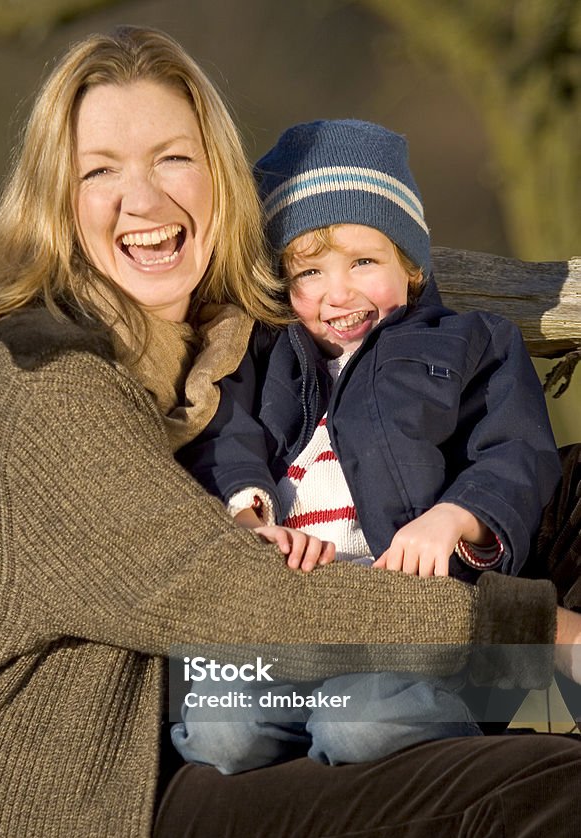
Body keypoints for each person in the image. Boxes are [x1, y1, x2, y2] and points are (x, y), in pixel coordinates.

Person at [0, 24, 581, 838]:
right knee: (542, 800)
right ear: (56, 204)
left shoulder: (222, 345)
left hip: (242, 730)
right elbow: (238, 598)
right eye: (101, 170)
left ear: (223, 182)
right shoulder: (48, 382)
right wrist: (530, 635)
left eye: (172, 160)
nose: (143, 201)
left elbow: (401, 329)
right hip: (110, 823)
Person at [172, 118, 562, 773]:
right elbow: (223, 436)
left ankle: (456, 746)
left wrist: (453, 518)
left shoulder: (470, 344)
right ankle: (302, 786)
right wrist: (248, 514)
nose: (338, 293)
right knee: (220, 731)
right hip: (290, 624)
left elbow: (515, 455)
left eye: (363, 262)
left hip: (409, 629)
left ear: (410, 267)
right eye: (310, 272)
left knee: (362, 724)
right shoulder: (260, 356)